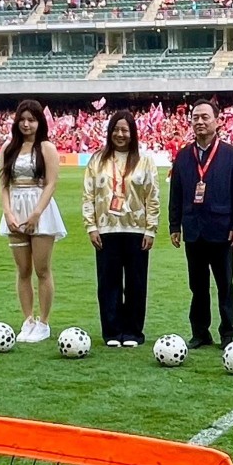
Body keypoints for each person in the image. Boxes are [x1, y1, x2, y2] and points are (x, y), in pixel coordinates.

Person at [169, 99, 233, 350]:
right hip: (193, 229)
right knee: (197, 286)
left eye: (205, 117)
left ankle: (227, 333)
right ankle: (200, 332)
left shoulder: (231, 154)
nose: (200, 121)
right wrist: (174, 225)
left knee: (225, 284)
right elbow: (176, 193)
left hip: (222, 229)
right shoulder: (182, 156)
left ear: (217, 121)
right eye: (195, 117)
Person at [83, 110, 161, 348]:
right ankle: (112, 331)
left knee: (136, 283)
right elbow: (88, 195)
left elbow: (153, 195)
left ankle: (133, 332)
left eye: (125, 130)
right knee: (108, 283)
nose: (120, 134)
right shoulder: (98, 160)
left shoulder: (144, 160)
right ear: (110, 132)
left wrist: (151, 229)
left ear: (132, 133)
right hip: (106, 229)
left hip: (136, 229)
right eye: (116, 129)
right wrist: (91, 226)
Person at [0, 99, 67, 343]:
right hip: (15, 208)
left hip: (40, 209)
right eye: (22, 119)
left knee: (42, 269)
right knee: (23, 270)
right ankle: (28, 320)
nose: (26, 124)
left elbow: (51, 183)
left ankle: (44, 322)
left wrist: (37, 212)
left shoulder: (46, 147)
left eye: (32, 119)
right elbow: (3, 183)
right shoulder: (8, 148)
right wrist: (7, 212)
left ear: (40, 122)